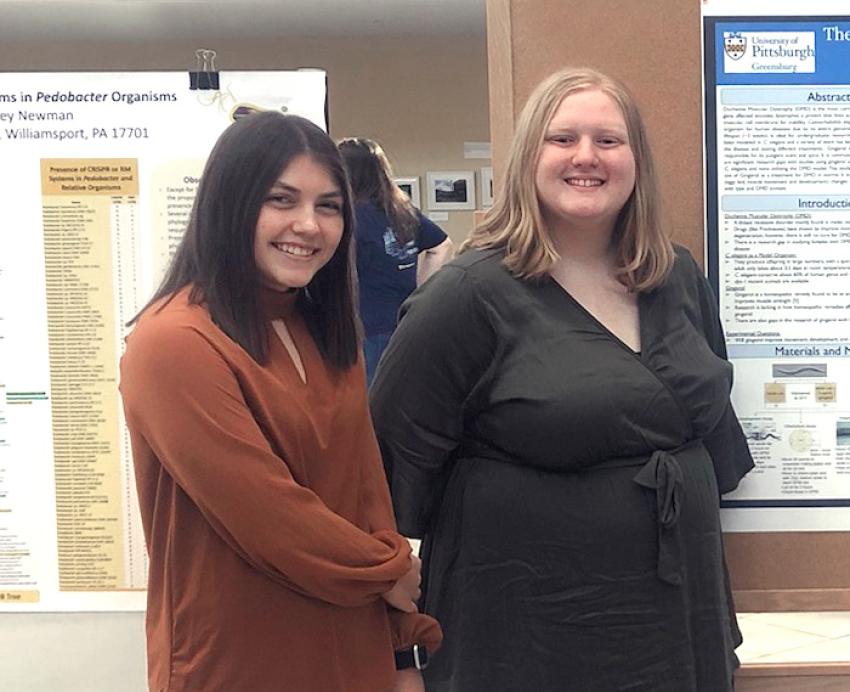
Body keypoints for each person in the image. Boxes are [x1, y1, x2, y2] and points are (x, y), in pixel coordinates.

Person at [369, 68, 754, 691]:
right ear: (528, 158)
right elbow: (381, 482)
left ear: (636, 160)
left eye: (609, 140)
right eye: (562, 139)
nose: (586, 157)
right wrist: (398, 655)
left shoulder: (676, 276)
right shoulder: (467, 297)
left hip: (676, 622)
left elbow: (714, 444)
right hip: (524, 637)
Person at [119, 112, 441, 692]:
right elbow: (268, 516)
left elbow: (366, 492)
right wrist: (389, 572)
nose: (308, 225)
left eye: (328, 206)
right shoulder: (172, 342)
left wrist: (401, 648)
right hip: (239, 662)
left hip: (353, 652)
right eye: (281, 199)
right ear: (231, 205)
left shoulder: (323, 331)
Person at [338, 137, 453, 384]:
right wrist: (421, 294)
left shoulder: (351, 218)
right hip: (405, 323)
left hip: (366, 328)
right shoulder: (401, 210)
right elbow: (442, 245)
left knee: (371, 404)